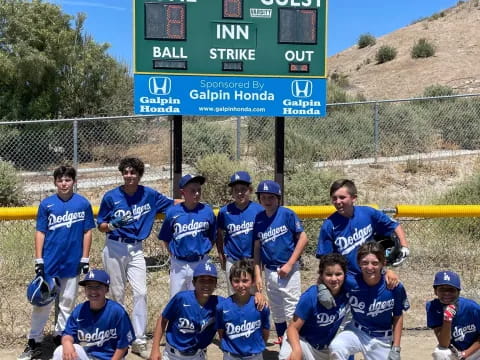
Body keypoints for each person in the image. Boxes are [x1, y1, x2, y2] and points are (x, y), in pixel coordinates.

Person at [97, 157, 174, 358]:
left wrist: (196, 203)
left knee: (141, 292)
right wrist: (112, 225)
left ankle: (139, 339)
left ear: (139, 175)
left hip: (136, 249)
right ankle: (121, 337)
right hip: (114, 245)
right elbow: (101, 225)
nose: (129, 176)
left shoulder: (149, 194)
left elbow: (173, 204)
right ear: (122, 173)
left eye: (133, 172)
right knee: (117, 293)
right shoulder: (111, 196)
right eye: (126, 172)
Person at [18, 165, 95, 360]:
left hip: (72, 261)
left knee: (67, 302)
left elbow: (87, 231)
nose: (64, 183)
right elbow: (40, 232)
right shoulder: (47, 204)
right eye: (60, 180)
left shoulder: (82, 203)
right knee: (42, 304)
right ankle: (33, 341)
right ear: (55, 182)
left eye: (68, 180)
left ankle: (61, 338)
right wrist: (39, 260)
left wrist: (85, 258)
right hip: (50, 262)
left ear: (74, 182)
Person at [329, 242, 410, 360]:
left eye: (375, 263)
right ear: (358, 264)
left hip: (382, 338)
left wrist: (396, 347)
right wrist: (322, 289)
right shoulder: (350, 281)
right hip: (356, 331)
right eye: (365, 263)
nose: (370, 267)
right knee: (336, 347)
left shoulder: (393, 286)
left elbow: (398, 316)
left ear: (383, 263)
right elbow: (328, 275)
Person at [253, 180, 308, 345]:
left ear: (278, 198)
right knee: (276, 309)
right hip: (270, 270)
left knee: (292, 308)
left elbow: (303, 238)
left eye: (271, 197)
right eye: (263, 197)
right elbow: (257, 248)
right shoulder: (259, 218)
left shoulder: (287, 214)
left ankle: (295, 342)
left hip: (288, 269)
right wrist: (258, 274)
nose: (267, 201)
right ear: (259, 199)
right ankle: (283, 341)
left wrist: (290, 264)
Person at [316, 179, 409, 277]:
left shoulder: (368, 213)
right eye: (334, 198)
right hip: (348, 280)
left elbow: (394, 225)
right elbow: (325, 260)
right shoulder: (329, 225)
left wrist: (404, 247)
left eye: (342, 197)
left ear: (354, 198)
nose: (338, 201)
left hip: (373, 274)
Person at [279, 254, 350, 360]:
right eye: (329, 274)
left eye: (338, 274)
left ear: (345, 274)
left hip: (326, 348)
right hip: (304, 342)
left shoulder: (348, 293)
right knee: (290, 356)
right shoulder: (311, 296)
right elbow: (292, 328)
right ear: (321, 275)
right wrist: (297, 350)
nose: (334, 278)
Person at [52, 269, 135, 360]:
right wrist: (67, 342)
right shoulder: (80, 310)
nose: (93, 291)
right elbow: (68, 334)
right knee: (60, 351)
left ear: (106, 289)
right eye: (89, 287)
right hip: (88, 357)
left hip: (112, 358)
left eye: (98, 287)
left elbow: (124, 345)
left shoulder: (117, 311)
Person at [148, 261, 222, 360]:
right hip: (172, 355)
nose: (206, 284)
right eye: (202, 280)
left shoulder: (218, 304)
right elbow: (163, 319)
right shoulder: (181, 298)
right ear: (194, 283)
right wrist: (155, 349)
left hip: (197, 355)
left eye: (210, 281)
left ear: (215, 284)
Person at [158, 174, 216, 298]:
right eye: (192, 190)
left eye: (199, 190)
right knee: (177, 299)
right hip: (179, 263)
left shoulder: (207, 211)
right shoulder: (173, 212)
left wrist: (204, 251)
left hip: (201, 261)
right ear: (183, 192)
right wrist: (174, 255)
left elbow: (212, 236)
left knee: (201, 298)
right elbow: (166, 237)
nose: (196, 194)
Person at [216, 171, 264, 294]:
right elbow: (219, 233)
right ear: (231, 192)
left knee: (254, 296)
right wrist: (221, 253)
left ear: (250, 190)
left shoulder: (259, 210)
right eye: (236, 190)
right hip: (233, 260)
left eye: (243, 189)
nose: (239, 193)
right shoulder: (224, 212)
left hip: (253, 260)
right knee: (233, 296)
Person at [216, 259, 270, 360]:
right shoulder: (222, 307)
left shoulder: (260, 305)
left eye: (245, 281)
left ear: (253, 281)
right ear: (231, 281)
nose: (241, 285)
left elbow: (265, 332)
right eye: (236, 281)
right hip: (231, 356)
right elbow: (221, 333)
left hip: (255, 356)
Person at [426, 270, 480, 360]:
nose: (447, 293)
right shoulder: (432, 307)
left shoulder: (472, 308)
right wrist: (447, 319)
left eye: (451, 289)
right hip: (456, 350)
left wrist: (465, 354)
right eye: (442, 289)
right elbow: (444, 343)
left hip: (475, 349)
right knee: (440, 353)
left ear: (458, 292)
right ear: (435, 291)